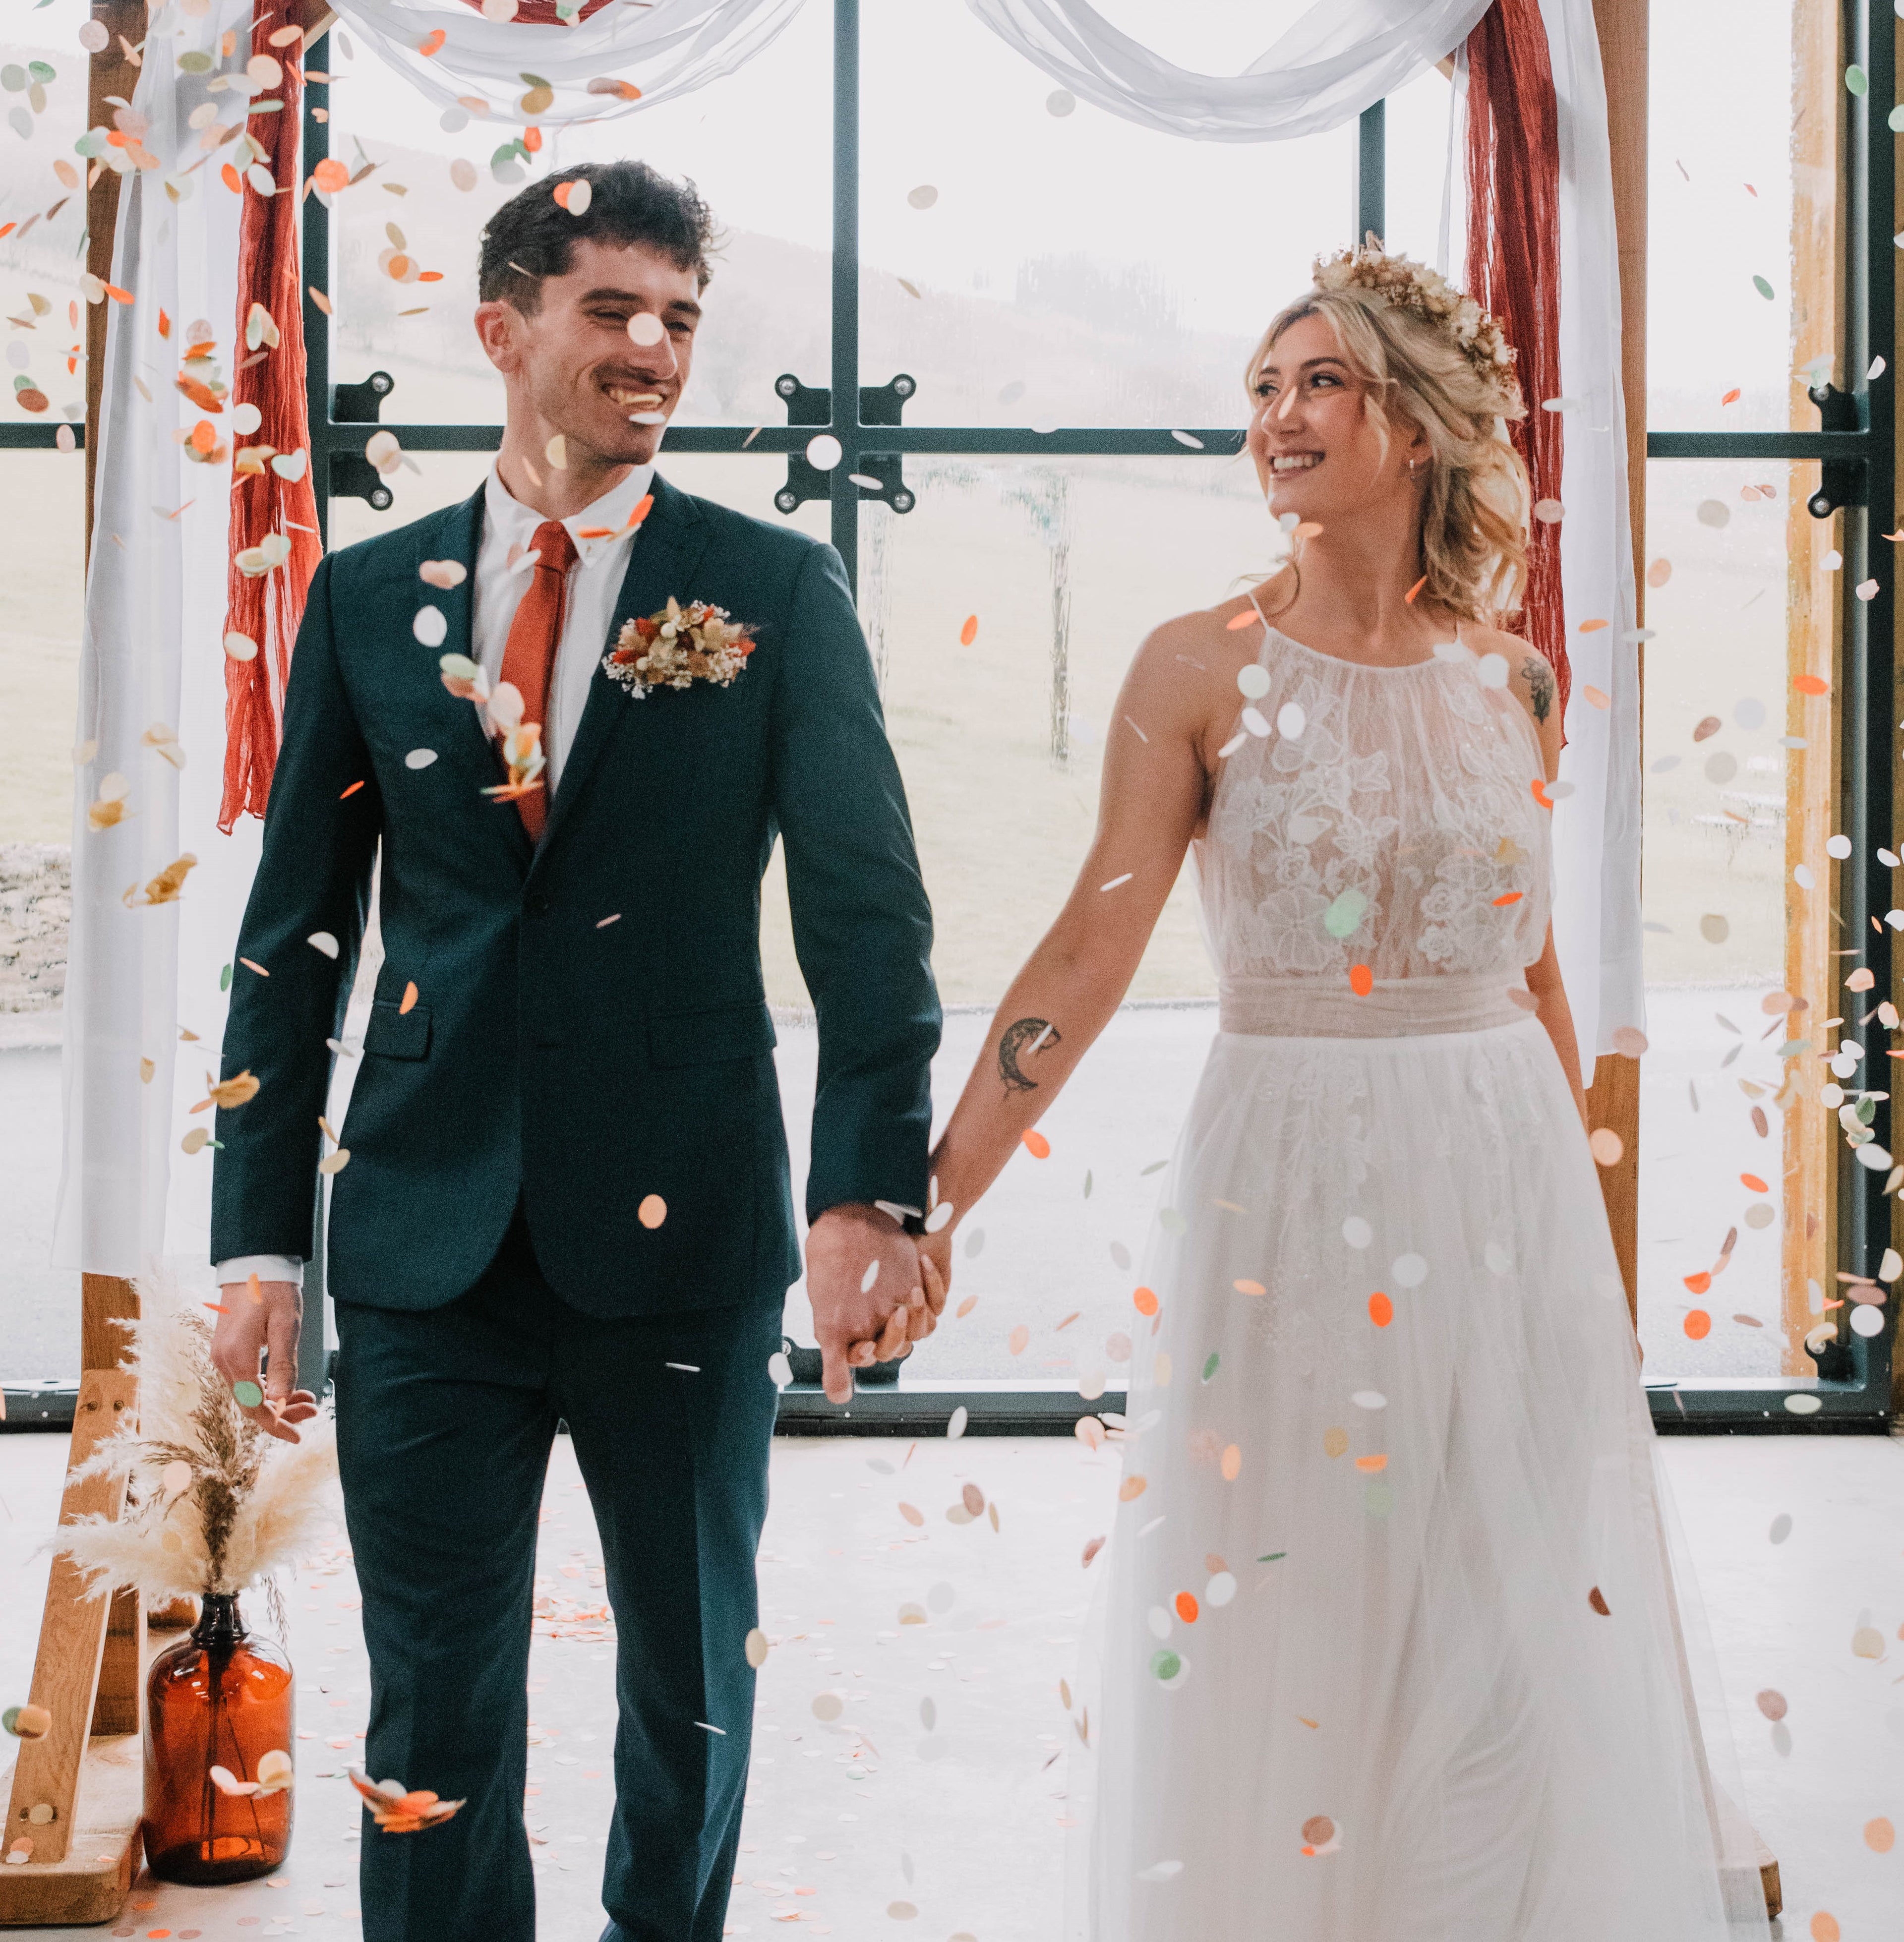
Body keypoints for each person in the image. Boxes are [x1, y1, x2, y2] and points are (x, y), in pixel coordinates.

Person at [917, 243, 1769, 1938]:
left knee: (1509, 1601)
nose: (1279, 418)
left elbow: (1534, 976)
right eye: (1262, 388)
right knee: (1298, 1577)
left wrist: (1593, 1272)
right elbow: (1087, 959)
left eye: (1321, 382)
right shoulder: (1198, 668)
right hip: (1295, 1173)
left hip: (1504, 1178)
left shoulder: (1511, 678)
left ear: (1425, 423)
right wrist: (937, 1198)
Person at [205, 160, 943, 1942]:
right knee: (433, 1694)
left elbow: (868, 925)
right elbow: (293, 937)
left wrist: (867, 1193)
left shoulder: (771, 589)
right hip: (423, 1248)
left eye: (678, 318)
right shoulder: (368, 602)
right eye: (610, 309)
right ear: (501, 329)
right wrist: (254, 1236)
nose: (653, 348)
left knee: (687, 1691)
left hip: (686, 1243)